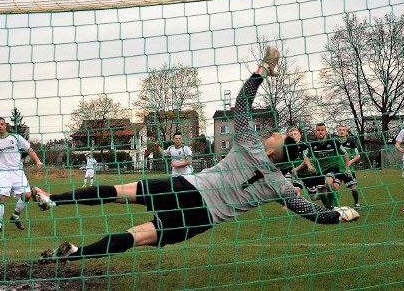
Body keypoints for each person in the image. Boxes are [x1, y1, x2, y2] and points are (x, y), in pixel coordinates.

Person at [33, 47, 359, 263]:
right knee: (136, 237)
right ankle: (75, 254)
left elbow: (241, 105)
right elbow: (313, 213)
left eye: (276, 134)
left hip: (189, 189)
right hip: (201, 220)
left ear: (273, 149)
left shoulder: (249, 145)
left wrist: (261, 71)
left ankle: (54, 200)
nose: (271, 131)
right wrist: (342, 213)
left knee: (118, 193)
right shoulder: (282, 186)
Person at [0, 117, 44, 232]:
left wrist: (38, 160)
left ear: (5, 126)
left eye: (1, 124)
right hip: (3, 174)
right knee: (1, 198)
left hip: (18, 172)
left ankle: (15, 216)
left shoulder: (16, 138)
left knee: (28, 195)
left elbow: (29, 149)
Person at [303, 123, 351, 209]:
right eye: (318, 130)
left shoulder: (333, 142)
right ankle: (329, 208)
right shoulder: (312, 144)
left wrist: (347, 168)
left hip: (333, 168)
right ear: (315, 132)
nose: (320, 132)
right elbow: (306, 156)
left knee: (329, 183)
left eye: (322, 130)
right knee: (321, 191)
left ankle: (334, 206)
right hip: (320, 171)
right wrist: (309, 165)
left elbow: (345, 153)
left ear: (326, 131)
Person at [336, 124, 362, 210]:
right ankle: (335, 206)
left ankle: (356, 203)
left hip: (348, 170)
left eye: (343, 130)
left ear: (346, 132)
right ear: (338, 132)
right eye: (340, 130)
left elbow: (357, 156)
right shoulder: (334, 143)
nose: (342, 131)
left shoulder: (350, 143)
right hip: (338, 170)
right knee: (334, 187)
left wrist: (350, 162)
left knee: (353, 188)